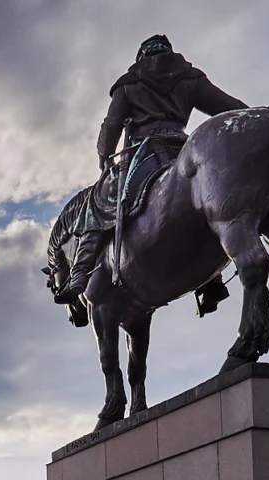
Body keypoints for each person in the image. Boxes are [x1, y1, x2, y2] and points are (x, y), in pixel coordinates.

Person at [51, 34, 246, 324]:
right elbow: (228, 106)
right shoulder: (188, 77)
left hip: (142, 154)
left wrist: (104, 156)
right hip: (181, 149)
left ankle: (80, 272)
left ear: (141, 57)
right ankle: (211, 282)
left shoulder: (130, 83)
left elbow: (112, 124)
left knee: (95, 201)